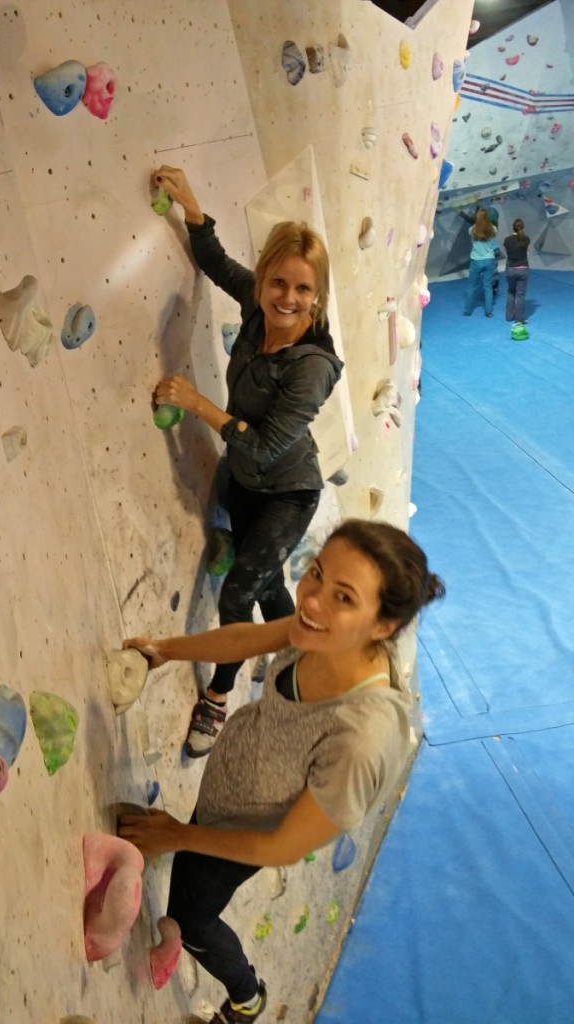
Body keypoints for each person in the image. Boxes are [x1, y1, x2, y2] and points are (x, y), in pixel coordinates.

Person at [118, 518, 445, 1024]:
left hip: (242, 832)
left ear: (383, 627)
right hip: (230, 790)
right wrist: (165, 649)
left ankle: (247, 998)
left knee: (191, 916)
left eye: (344, 598)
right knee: (186, 881)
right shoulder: (316, 634)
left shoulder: (360, 738)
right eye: (315, 574)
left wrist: (180, 835)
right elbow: (246, 640)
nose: (311, 601)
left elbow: (282, 848)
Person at [150, 166, 344, 758]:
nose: (288, 298)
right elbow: (217, 263)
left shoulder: (310, 367)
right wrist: (191, 206)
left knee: (237, 597)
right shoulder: (261, 309)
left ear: (318, 297)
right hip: (246, 487)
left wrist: (197, 404)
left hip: (286, 494)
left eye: (303, 290)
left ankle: (218, 696)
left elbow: (261, 447)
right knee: (269, 590)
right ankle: (302, 663)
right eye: (278, 283)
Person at [462, 206, 498, 317]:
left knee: (471, 286)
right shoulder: (493, 229)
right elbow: (491, 240)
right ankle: (489, 311)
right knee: (487, 287)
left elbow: (476, 232)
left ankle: (468, 311)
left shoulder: (472, 229)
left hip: (476, 261)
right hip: (489, 260)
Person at [502, 218, 531, 323]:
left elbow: (508, 254)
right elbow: (527, 253)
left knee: (510, 291)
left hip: (510, 269)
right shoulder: (526, 239)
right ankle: (519, 319)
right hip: (523, 269)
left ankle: (509, 316)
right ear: (522, 228)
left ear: (512, 228)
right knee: (520, 294)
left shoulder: (507, 240)